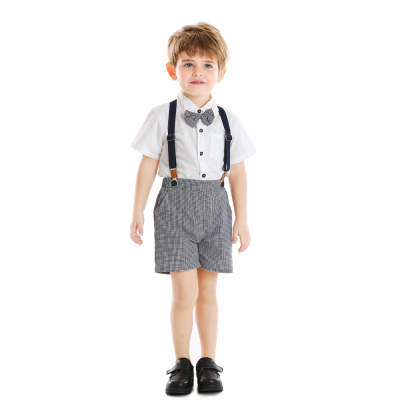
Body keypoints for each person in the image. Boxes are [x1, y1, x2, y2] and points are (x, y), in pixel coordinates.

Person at [129, 22, 256, 395]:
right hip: (174, 209)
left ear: (221, 71)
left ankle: (209, 362)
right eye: (188, 64)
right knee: (184, 292)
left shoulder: (229, 119)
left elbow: (238, 172)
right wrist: (136, 211)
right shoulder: (161, 115)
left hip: (216, 210)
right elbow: (147, 165)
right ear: (173, 70)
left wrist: (242, 219)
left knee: (208, 291)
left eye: (207, 65)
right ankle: (181, 362)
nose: (198, 72)